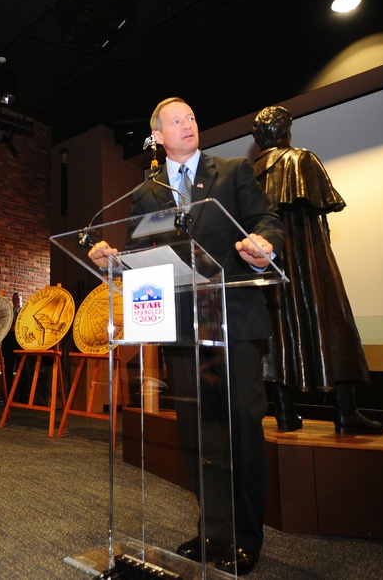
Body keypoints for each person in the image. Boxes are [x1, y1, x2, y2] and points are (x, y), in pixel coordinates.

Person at [88, 97, 285, 575]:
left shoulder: (233, 171)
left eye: (192, 117)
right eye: (177, 121)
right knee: (199, 434)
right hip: (179, 326)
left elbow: (267, 220)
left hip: (233, 318)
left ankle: (246, 537)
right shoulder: (145, 193)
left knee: (240, 426)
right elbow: (140, 254)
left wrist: (264, 245)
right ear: (157, 136)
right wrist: (114, 262)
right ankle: (214, 530)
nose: (189, 124)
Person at [251, 105, 383, 435]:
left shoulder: (251, 173)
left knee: (277, 332)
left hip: (272, 263)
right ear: (285, 131)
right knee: (332, 321)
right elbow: (325, 204)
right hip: (309, 258)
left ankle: (285, 414)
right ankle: (346, 412)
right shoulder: (301, 159)